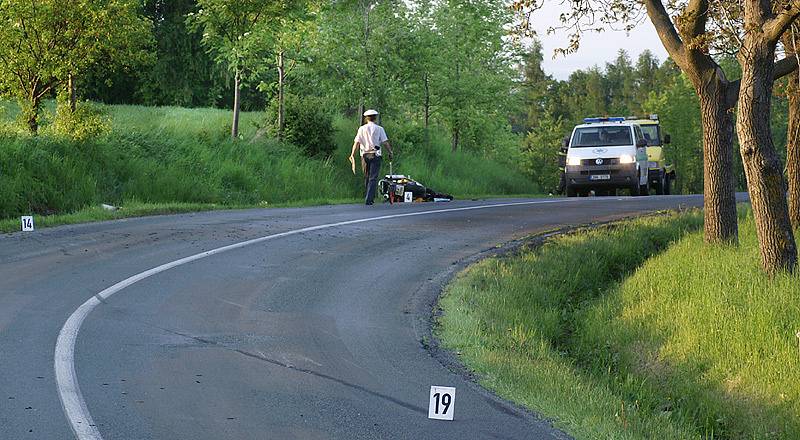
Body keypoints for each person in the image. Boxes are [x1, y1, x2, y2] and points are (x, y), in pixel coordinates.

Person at [349, 109, 394, 205]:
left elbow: (356, 143)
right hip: (375, 154)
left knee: (367, 176)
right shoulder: (379, 129)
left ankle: (369, 197)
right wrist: (390, 152)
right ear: (375, 118)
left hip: (364, 155)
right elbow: (385, 142)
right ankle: (369, 198)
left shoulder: (361, 129)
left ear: (366, 118)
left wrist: (352, 154)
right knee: (373, 177)